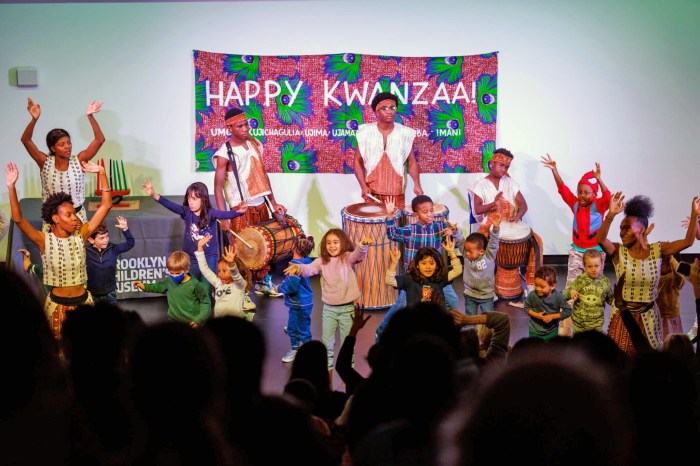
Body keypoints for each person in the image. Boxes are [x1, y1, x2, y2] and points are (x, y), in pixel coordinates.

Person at [6, 161, 111, 340]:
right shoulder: (43, 240)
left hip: (84, 305)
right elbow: (18, 219)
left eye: (74, 214)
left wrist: (101, 172)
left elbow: (106, 205)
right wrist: (11, 186)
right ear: (55, 218)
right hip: (56, 307)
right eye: (68, 214)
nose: (74, 218)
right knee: (58, 355)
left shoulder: (82, 234)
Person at [596, 193, 699, 353]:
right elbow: (600, 240)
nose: (622, 233)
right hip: (623, 318)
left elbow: (687, 242)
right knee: (622, 360)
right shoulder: (618, 252)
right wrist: (610, 215)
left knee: (649, 364)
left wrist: (694, 215)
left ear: (641, 229)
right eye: (621, 229)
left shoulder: (657, 250)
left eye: (627, 228)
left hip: (649, 318)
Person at [213, 106, 287, 297]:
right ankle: (241, 291)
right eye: (240, 126)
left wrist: (273, 202)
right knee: (242, 251)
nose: (245, 128)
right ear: (229, 128)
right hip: (240, 209)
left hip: (261, 204)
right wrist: (223, 217)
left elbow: (263, 176)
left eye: (246, 124)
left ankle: (262, 283)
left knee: (263, 247)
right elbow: (217, 188)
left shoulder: (255, 144)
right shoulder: (224, 154)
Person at [541, 154, 612, 336]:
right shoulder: (575, 204)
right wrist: (555, 170)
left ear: (593, 195)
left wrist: (599, 179)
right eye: (580, 191)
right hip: (577, 252)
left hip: (595, 253)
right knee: (571, 289)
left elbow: (608, 196)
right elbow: (561, 188)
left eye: (586, 193)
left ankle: (592, 327)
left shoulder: (598, 206)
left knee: (594, 288)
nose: (581, 195)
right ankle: (565, 329)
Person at [375, 194, 463, 339]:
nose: (430, 214)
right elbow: (392, 234)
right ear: (416, 214)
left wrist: (451, 232)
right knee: (402, 305)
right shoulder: (411, 230)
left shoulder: (439, 226)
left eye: (431, 210)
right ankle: (382, 329)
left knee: (452, 299)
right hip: (414, 278)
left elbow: (450, 240)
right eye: (425, 212)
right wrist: (390, 215)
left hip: (436, 275)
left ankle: (446, 327)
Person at [284, 228, 371, 371]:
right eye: (328, 243)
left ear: (343, 243)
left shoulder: (347, 258)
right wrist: (298, 269)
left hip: (347, 309)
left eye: (335, 242)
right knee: (327, 346)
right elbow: (309, 269)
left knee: (348, 345)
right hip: (329, 310)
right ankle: (327, 380)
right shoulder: (321, 261)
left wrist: (363, 245)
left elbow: (358, 255)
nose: (332, 246)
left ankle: (348, 381)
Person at [142, 179, 245, 299]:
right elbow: (170, 205)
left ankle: (204, 314)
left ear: (203, 199)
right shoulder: (186, 212)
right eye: (189, 198)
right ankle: (194, 313)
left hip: (208, 257)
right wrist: (153, 194)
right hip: (191, 257)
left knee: (206, 289)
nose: (191, 202)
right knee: (193, 288)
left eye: (194, 199)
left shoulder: (211, 213)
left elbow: (225, 215)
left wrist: (239, 212)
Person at [471, 147, 543, 298]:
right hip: (489, 225)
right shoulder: (480, 185)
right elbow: (477, 209)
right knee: (478, 245)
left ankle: (531, 283)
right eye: (501, 165)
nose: (504, 169)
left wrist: (517, 216)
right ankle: (486, 286)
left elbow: (523, 205)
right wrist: (493, 203)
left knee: (537, 241)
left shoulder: (510, 183)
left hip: (510, 224)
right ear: (492, 162)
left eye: (507, 167)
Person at [21, 97, 105, 223]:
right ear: (53, 148)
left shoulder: (79, 160)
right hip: (53, 219)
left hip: (77, 217)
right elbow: (26, 140)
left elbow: (99, 140)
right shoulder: (45, 162)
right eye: (62, 144)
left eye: (69, 143)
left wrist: (90, 117)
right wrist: (34, 119)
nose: (67, 147)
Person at [350, 91, 423, 209]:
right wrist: (363, 186)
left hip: (396, 191)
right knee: (375, 226)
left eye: (392, 108)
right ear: (376, 111)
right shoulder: (365, 132)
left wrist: (417, 184)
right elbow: (357, 160)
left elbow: (411, 162)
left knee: (395, 225)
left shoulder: (404, 133)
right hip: (372, 191)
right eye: (384, 108)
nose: (389, 111)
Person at [133, 250, 211, 327]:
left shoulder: (196, 285)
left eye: (177, 273)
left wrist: (199, 320)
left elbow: (205, 303)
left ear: (187, 269)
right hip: (173, 322)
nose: (174, 276)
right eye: (171, 273)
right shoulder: (169, 280)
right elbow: (158, 287)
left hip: (191, 324)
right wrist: (144, 286)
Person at [385, 239, 463, 312]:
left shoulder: (439, 278)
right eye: (424, 263)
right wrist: (394, 262)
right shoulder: (409, 279)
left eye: (432, 263)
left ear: (437, 266)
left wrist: (451, 252)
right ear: (417, 265)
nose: (428, 267)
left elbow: (457, 270)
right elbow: (389, 281)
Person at [276, 234, 316, 363]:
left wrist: (279, 289)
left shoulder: (295, 266)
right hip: (302, 302)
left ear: (294, 248)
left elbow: (292, 287)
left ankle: (299, 350)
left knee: (298, 329)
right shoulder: (305, 261)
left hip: (299, 303)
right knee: (298, 325)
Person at [195, 234, 253, 321]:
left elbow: (236, 276)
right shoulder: (218, 283)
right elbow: (205, 269)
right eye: (219, 271)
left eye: (224, 271)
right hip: (220, 323)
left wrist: (231, 264)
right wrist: (200, 248)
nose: (220, 274)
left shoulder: (240, 285)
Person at [85, 216, 135, 305]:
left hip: (110, 293)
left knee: (112, 318)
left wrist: (125, 229)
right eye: (101, 238)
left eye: (107, 236)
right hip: (91, 294)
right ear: (91, 240)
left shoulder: (113, 249)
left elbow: (130, 243)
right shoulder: (85, 251)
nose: (106, 240)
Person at [563, 249, 613, 334]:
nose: (593, 269)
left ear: (602, 264)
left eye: (596, 266)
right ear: (584, 266)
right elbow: (564, 295)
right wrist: (571, 292)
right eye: (589, 266)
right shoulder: (579, 280)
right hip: (579, 325)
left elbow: (611, 300)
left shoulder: (605, 282)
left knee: (594, 347)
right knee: (578, 346)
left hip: (596, 325)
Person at [462, 212, 501, 316]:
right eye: (466, 250)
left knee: (488, 320)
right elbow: (460, 241)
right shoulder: (466, 256)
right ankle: (472, 332)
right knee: (470, 318)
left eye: (470, 251)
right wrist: (456, 231)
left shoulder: (488, 256)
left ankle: (487, 332)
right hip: (469, 294)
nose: (466, 253)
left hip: (486, 295)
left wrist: (496, 230)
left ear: (481, 251)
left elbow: (493, 244)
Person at [523, 265, 572, 340]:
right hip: (534, 331)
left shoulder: (558, 297)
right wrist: (536, 315)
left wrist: (552, 316)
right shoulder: (532, 295)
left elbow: (568, 311)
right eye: (536, 285)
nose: (538, 289)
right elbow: (526, 307)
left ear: (552, 286)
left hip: (552, 332)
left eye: (542, 287)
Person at [656, 254, 686, 338]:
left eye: (661, 263)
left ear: (669, 266)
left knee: (670, 344)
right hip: (656, 316)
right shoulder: (656, 277)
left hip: (669, 317)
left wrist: (672, 260)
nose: (658, 265)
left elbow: (680, 275)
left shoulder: (673, 278)